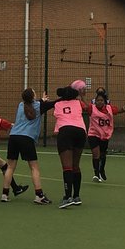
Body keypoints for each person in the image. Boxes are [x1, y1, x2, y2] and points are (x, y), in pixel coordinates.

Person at [41, 80, 91, 208]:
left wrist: (43, 101)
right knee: (76, 166)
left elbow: (45, 107)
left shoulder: (58, 104)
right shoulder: (78, 102)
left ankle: (67, 197)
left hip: (66, 132)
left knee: (67, 167)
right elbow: (89, 109)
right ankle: (76, 196)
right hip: (80, 132)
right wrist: (82, 97)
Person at [2, 87, 51, 204]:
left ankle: (4, 194)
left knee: (10, 167)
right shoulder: (39, 106)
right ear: (33, 96)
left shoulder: (20, 105)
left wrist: (42, 100)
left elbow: (32, 103)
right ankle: (39, 195)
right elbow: (50, 104)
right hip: (26, 138)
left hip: (13, 137)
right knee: (34, 167)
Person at [87, 91, 125, 182]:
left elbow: (121, 110)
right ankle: (96, 174)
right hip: (93, 134)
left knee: (102, 154)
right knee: (96, 154)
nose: (99, 102)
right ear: (95, 101)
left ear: (105, 101)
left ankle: (102, 170)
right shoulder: (92, 108)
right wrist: (79, 95)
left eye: (101, 100)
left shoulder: (110, 109)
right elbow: (84, 106)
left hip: (105, 135)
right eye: (98, 100)